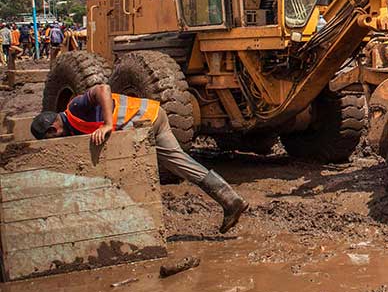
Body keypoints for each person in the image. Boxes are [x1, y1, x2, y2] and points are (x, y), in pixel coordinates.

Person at [31, 84, 248, 233]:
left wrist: (107, 124)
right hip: (154, 114)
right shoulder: (72, 127)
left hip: (143, 120)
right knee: (179, 162)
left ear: (52, 129)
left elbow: (103, 89)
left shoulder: (75, 108)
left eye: (50, 138)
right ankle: (230, 200)